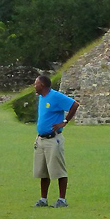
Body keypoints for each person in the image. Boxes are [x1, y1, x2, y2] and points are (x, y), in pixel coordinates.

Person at [33, 74, 79, 208]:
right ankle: (43, 199)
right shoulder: (42, 98)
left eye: (36, 83)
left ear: (42, 85)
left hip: (53, 139)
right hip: (41, 139)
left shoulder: (55, 96)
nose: (34, 86)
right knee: (43, 170)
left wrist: (64, 122)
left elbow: (74, 105)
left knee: (58, 170)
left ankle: (62, 199)